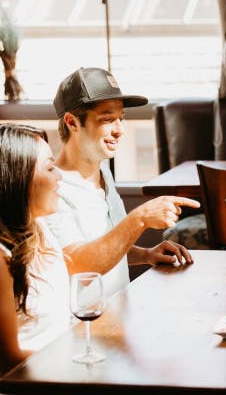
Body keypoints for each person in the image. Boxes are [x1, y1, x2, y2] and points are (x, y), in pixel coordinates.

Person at [43, 67, 200, 298]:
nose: (120, 130)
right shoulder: (53, 188)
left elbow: (107, 244)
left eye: (121, 119)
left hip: (118, 317)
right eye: (107, 119)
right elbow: (77, 264)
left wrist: (146, 254)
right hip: (83, 325)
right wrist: (140, 218)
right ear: (72, 123)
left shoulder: (103, 170)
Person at [0, 124, 69, 394]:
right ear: (18, 178)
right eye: (50, 168)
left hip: (54, 379)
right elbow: (7, 362)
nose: (60, 175)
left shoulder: (39, 228)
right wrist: (82, 366)